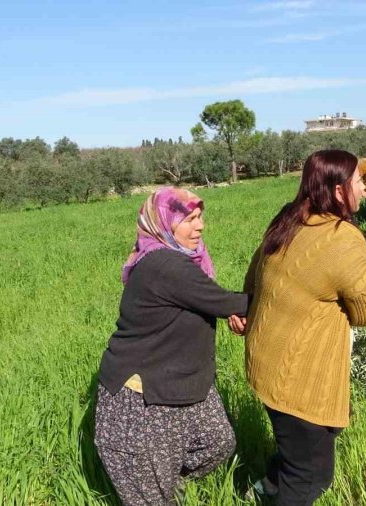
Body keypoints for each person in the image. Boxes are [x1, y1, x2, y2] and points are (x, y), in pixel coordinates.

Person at [94, 187, 249, 506]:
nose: (200, 226)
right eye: (189, 219)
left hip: (181, 384)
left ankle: (167, 483)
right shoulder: (165, 264)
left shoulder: (183, 261)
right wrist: (287, 295)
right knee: (150, 495)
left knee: (218, 443)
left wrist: (231, 308)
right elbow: (225, 301)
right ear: (163, 223)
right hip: (142, 400)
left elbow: (210, 301)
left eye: (200, 217)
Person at [243, 150, 366, 505]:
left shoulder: (287, 219)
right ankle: (274, 492)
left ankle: (262, 488)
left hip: (265, 360)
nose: (364, 188)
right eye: (357, 181)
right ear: (338, 190)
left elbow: (252, 277)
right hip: (299, 375)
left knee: (299, 447)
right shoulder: (344, 238)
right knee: (311, 476)